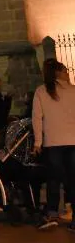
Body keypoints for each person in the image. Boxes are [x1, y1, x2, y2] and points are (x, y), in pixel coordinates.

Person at [33, 58, 75, 231]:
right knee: (73, 180)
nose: (67, 74)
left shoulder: (41, 91)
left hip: (53, 143)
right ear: (58, 72)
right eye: (65, 71)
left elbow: (37, 118)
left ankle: (51, 213)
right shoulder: (73, 90)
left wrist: (37, 142)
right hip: (73, 141)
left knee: (53, 179)